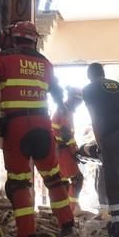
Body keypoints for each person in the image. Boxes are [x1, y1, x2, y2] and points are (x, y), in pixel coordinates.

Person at [0, 21, 75, 237]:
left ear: (14, 38)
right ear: (34, 40)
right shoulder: (45, 64)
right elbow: (59, 96)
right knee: (53, 178)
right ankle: (68, 226)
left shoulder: (5, 58)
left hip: (17, 127)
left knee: (19, 184)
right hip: (43, 127)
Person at [83, 63, 119, 237]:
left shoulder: (89, 89)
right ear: (103, 73)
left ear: (90, 76)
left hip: (111, 135)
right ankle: (118, 220)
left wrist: (100, 145)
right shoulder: (117, 85)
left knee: (111, 182)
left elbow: (95, 118)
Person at [51, 86, 85, 214]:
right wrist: (75, 150)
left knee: (64, 181)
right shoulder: (64, 110)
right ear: (70, 98)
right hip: (62, 149)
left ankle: (64, 210)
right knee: (77, 179)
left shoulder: (65, 109)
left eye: (80, 101)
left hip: (59, 149)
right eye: (77, 100)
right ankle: (71, 209)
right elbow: (66, 135)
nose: (79, 103)